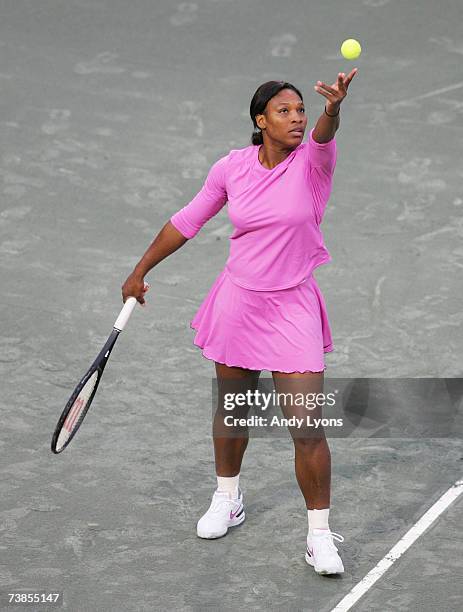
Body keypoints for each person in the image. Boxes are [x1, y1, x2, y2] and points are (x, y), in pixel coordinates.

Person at [122, 69, 358, 575]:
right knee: (232, 412)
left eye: (300, 110)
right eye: (284, 111)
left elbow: (324, 133)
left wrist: (332, 108)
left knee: (308, 428)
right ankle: (227, 497)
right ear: (260, 120)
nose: (296, 119)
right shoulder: (231, 167)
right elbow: (188, 220)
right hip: (239, 304)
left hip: (292, 307)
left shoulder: (313, 163)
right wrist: (140, 270)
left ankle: (319, 535)